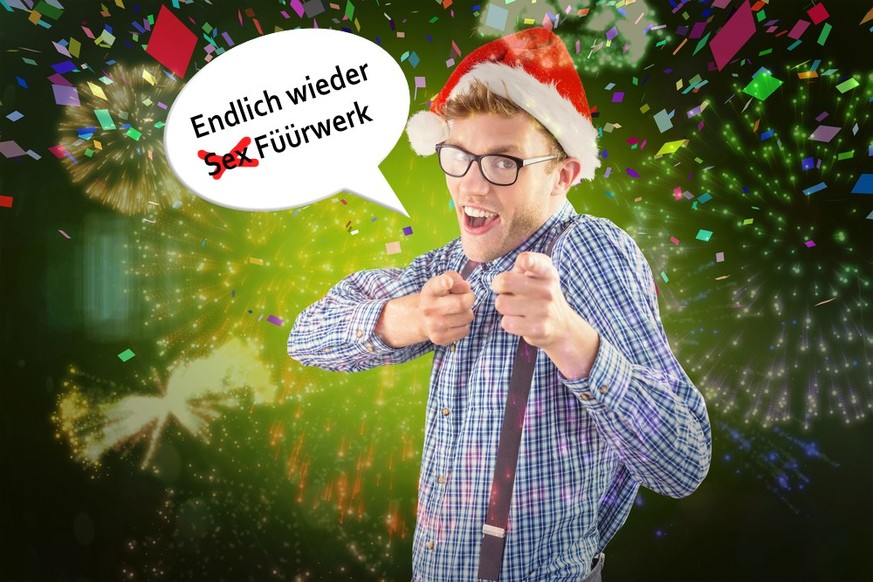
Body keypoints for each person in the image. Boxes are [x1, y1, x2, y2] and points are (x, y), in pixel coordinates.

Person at [288, 27, 711, 582]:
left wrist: (569, 337)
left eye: (504, 162)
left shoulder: (590, 251)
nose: (473, 187)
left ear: (563, 176)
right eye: (459, 157)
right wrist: (409, 318)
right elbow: (307, 337)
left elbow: (683, 462)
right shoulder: (453, 263)